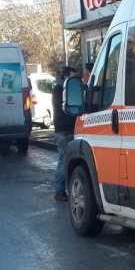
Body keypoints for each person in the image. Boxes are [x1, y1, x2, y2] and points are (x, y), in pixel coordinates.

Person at [53, 66, 80, 201]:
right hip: (63, 130)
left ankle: (69, 189)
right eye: (73, 77)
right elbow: (66, 106)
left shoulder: (68, 89)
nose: (75, 80)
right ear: (65, 77)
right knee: (63, 161)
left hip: (71, 128)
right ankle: (59, 190)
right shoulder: (58, 91)